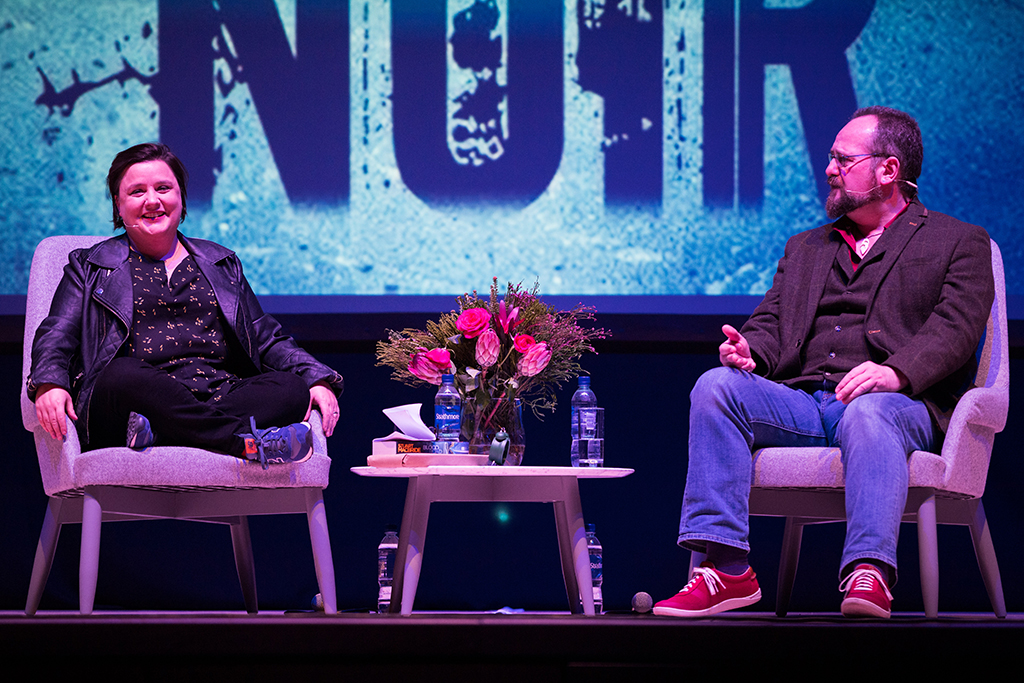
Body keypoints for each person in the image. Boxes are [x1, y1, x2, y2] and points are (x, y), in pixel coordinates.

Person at [653, 106, 994, 619]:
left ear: (888, 170)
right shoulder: (807, 246)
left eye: (843, 158)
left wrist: (895, 373)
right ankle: (726, 568)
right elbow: (771, 321)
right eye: (830, 157)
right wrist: (750, 351)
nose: (830, 168)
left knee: (871, 409)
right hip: (806, 404)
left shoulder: (957, 241)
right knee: (715, 386)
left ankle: (869, 572)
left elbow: (957, 328)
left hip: (898, 405)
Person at [27, 142, 343, 468]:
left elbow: (265, 337)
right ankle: (244, 442)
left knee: (289, 388)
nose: (153, 200)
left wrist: (314, 378)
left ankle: (165, 434)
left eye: (164, 188)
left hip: (217, 396)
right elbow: (57, 332)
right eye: (137, 192)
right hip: (129, 405)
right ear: (118, 207)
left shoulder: (221, 263)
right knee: (121, 374)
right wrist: (49, 382)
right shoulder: (89, 265)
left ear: (180, 198)